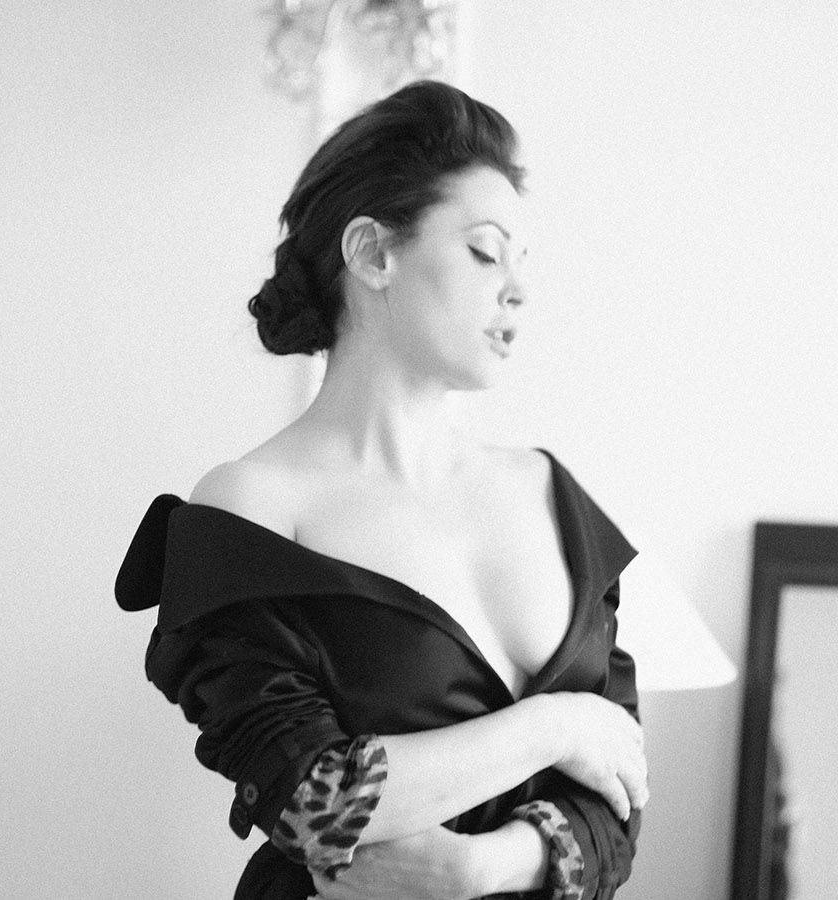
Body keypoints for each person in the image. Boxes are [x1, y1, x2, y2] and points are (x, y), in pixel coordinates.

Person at [115, 80, 648, 900]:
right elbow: (314, 802)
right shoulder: (249, 508)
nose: (517, 288)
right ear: (372, 254)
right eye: (485, 252)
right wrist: (556, 726)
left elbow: (619, 795)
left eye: (523, 262)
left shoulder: (551, 494)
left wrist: (477, 869)